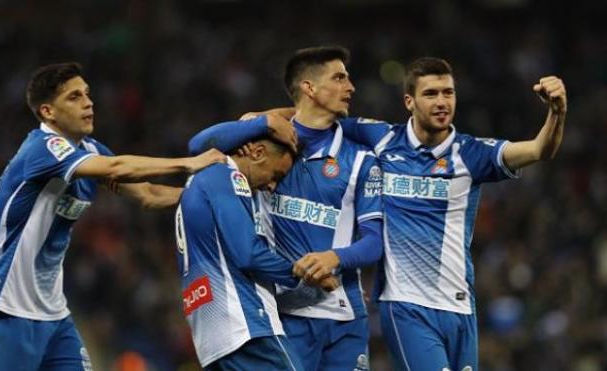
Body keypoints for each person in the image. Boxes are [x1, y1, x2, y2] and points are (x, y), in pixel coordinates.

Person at [0, 62, 225, 371]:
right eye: (74, 97)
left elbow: (148, 195)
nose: (88, 102)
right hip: (4, 309)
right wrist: (191, 163)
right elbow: (117, 169)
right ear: (48, 112)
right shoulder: (42, 148)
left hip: (53, 316)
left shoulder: (89, 149)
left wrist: (216, 197)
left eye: (87, 94)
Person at [335, 57, 566, 371]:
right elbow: (317, 121)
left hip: (459, 306)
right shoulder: (383, 139)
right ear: (409, 101)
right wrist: (265, 120)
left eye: (448, 93)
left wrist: (557, 111)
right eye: (431, 94)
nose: (442, 102)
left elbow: (540, 150)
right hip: (406, 305)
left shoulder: (471, 153)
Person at [188, 46, 384, 371]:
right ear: (309, 87)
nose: (350, 88)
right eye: (339, 78)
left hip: (343, 317)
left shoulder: (361, 159)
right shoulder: (264, 143)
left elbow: (374, 242)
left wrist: (334, 258)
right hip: (282, 317)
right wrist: (261, 122)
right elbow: (198, 146)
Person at [176, 132, 340, 370]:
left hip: (210, 336)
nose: (272, 185)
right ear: (258, 153)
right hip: (247, 327)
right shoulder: (228, 175)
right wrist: (304, 274)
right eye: (276, 175)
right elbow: (249, 255)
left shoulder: (195, 184)